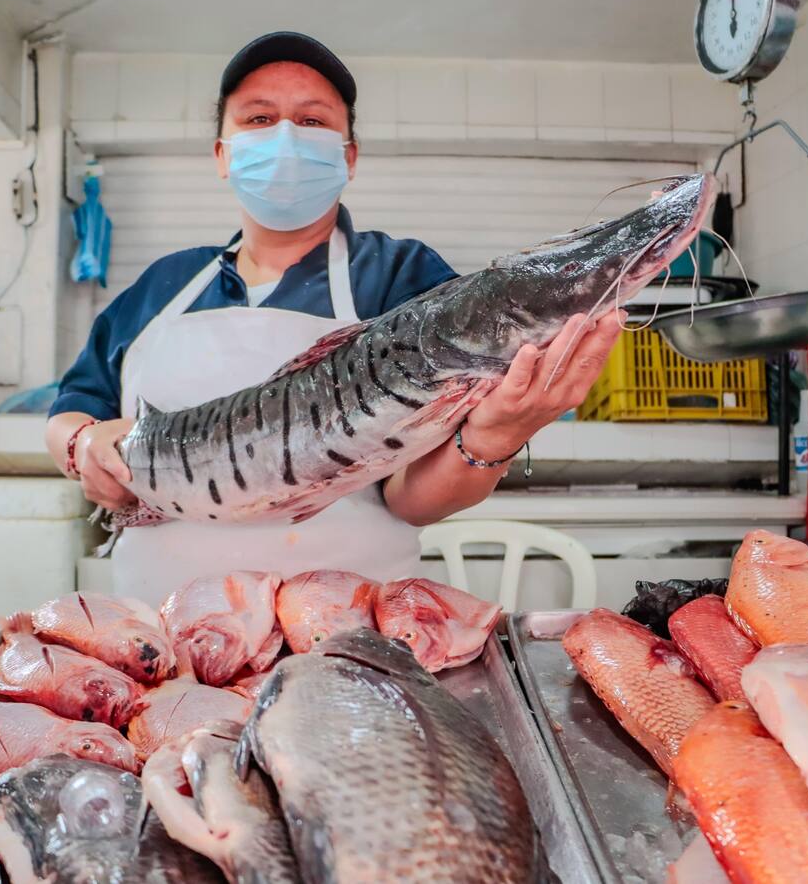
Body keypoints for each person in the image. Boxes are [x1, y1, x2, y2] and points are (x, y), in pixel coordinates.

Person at [47, 32, 621, 605]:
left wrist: (497, 435)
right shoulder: (162, 285)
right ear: (222, 155)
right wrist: (82, 443)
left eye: (313, 121)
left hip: (348, 635)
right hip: (156, 640)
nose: (286, 137)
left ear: (348, 155)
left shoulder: (404, 278)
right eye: (259, 117)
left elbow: (410, 498)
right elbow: (73, 409)